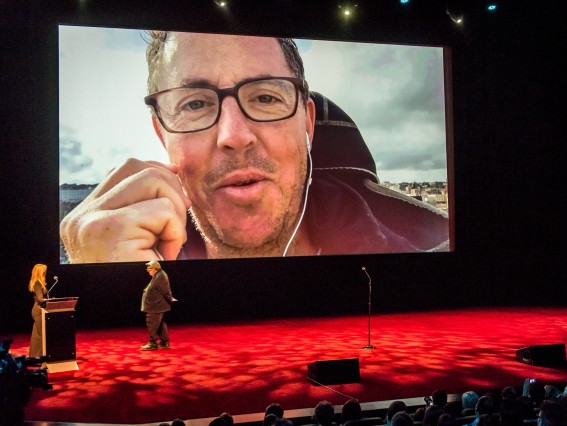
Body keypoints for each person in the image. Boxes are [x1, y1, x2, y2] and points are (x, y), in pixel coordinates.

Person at [59, 32, 449, 263]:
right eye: (195, 104)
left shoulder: (434, 244)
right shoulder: (125, 256)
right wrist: (103, 290)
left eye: (265, 98)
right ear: (163, 134)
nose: (234, 135)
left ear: (308, 123)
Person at [141, 260, 177, 350]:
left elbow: (166, 290)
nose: (147, 270)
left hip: (156, 306)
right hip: (156, 306)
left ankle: (152, 343)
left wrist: (170, 298)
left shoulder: (160, 276)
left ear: (154, 269)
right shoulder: (157, 275)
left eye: (149, 268)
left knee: (152, 324)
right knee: (160, 324)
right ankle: (165, 342)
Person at [28, 264, 49, 357]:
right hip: (38, 311)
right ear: (40, 272)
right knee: (42, 335)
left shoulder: (38, 282)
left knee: (36, 335)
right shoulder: (37, 283)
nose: (45, 273)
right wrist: (48, 300)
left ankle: (34, 356)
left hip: (39, 310)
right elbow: (40, 299)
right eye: (44, 271)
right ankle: (41, 357)